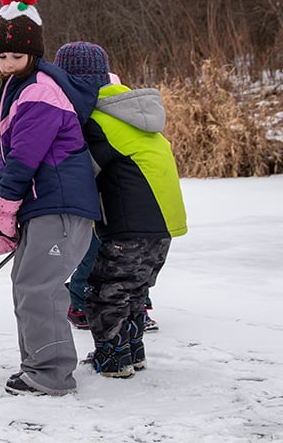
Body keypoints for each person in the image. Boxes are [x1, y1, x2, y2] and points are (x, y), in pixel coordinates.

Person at [0, 0, 102, 397]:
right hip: (44, 205)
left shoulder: (39, 92)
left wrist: (4, 210)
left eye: (17, 55)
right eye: (1, 55)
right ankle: (37, 366)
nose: (8, 62)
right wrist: (9, 218)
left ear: (34, 53)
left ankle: (51, 375)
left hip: (61, 208)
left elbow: (23, 159)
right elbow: (11, 155)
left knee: (39, 286)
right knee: (26, 282)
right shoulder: (14, 88)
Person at [54, 41, 187, 378]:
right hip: (164, 224)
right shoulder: (129, 112)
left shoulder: (97, 122)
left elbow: (80, 175)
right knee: (134, 293)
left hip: (131, 226)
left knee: (104, 293)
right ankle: (133, 351)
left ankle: (112, 359)